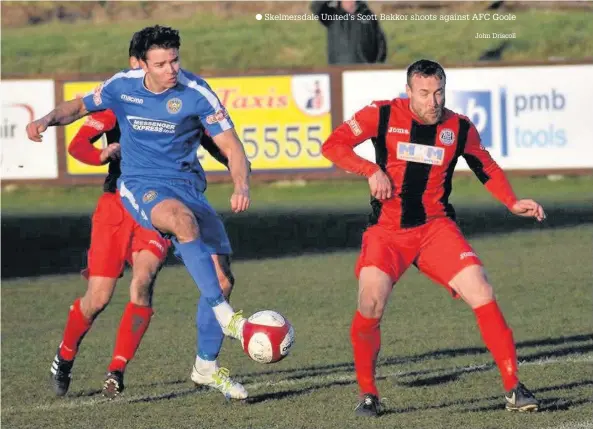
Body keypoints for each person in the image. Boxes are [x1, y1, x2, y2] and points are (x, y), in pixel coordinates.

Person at [27, 25, 251, 400]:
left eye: (175, 60)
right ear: (142, 64)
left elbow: (231, 146)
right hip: (136, 188)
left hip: (187, 188)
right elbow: (78, 110)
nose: (171, 69)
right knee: (106, 290)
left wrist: (241, 183)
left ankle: (204, 367)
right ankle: (224, 317)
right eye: (161, 63)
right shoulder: (121, 88)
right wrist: (46, 119)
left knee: (221, 278)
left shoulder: (197, 93)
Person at [321, 59, 545, 416]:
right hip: (388, 232)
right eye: (424, 93)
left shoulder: (457, 126)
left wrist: (512, 201)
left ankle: (513, 387)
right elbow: (333, 145)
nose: (433, 101)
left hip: (435, 228)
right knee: (370, 303)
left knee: (481, 289)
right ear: (408, 92)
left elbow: (484, 165)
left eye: (438, 92)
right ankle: (368, 394)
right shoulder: (380, 114)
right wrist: (370, 169)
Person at [311, 1, 387, 65]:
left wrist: (376, 68)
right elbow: (316, 5)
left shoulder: (368, 15)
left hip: (363, 73)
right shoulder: (331, 15)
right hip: (338, 73)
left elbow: (380, 45)